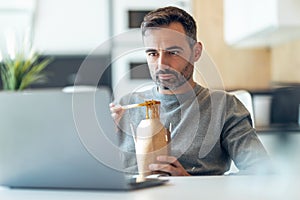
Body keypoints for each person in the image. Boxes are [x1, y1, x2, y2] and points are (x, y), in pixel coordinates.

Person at [110, 6, 271, 176]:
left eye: (172, 52)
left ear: (196, 52)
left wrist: (190, 181)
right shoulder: (125, 106)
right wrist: (100, 140)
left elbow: (263, 173)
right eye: (153, 53)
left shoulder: (224, 108)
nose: (161, 64)